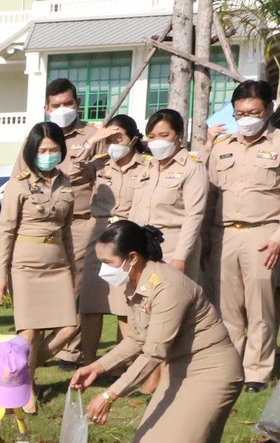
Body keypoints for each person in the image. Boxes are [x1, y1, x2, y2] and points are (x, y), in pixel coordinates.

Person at [73, 223, 244, 443]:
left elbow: (154, 353)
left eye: (108, 263)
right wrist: (97, 367)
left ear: (132, 257)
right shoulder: (136, 282)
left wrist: (109, 395)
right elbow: (137, 339)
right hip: (182, 369)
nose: (103, 270)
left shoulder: (168, 287)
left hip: (211, 373)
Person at [209, 79, 280, 390]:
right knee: (227, 307)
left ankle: (256, 372)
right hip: (224, 233)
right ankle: (230, 365)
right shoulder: (221, 147)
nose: (246, 119)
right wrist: (204, 239)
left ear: (268, 110)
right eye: (239, 114)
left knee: (261, 307)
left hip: (263, 233)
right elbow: (209, 195)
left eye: (253, 112)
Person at [21, 79, 109, 363]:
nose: (62, 109)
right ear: (46, 108)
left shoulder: (94, 136)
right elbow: (19, 179)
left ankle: (69, 351)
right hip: (43, 224)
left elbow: (104, 180)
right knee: (43, 295)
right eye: (56, 105)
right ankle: (35, 351)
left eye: (68, 104)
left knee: (74, 288)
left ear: (78, 104)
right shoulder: (36, 138)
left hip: (81, 222)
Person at [0, 120, 80, 371]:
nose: (48, 155)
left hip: (57, 264)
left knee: (68, 328)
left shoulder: (65, 183)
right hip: (26, 265)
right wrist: (1, 276)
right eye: (42, 151)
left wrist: (73, 268)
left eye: (53, 150)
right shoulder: (19, 183)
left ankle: (15, 370)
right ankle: (25, 387)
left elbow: (66, 231)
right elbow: (6, 230)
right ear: (32, 151)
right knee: (29, 333)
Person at [87, 114, 148, 333]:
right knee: (91, 303)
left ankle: (124, 361)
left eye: (119, 139)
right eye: (110, 141)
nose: (114, 145)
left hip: (127, 237)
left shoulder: (146, 166)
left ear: (132, 139)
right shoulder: (99, 164)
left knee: (125, 305)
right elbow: (73, 173)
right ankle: (90, 361)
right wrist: (93, 141)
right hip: (100, 236)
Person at [137, 109, 209, 282]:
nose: (157, 141)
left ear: (179, 135)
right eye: (152, 136)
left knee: (172, 302)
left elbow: (194, 216)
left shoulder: (192, 168)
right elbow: (136, 209)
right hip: (143, 246)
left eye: (164, 135)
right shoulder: (148, 167)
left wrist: (180, 256)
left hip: (172, 246)